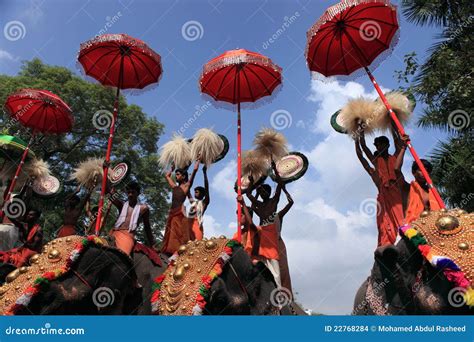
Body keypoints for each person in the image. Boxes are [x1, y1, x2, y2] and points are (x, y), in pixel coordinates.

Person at [355, 125, 407, 246]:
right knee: (384, 227)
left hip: (399, 197)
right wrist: (358, 137)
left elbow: (398, 142)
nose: (379, 146)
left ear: (387, 145)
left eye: (381, 144)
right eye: (377, 145)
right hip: (384, 198)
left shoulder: (394, 158)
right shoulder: (374, 163)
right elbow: (362, 151)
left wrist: (392, 124)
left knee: (404, 221)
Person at [161, 161, 199, 255]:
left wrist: (197, 161)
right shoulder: (174, 186)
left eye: (178, 174)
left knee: (181, 234)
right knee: (171, 233)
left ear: (183, 176)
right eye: (176, 174)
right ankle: (171, 253)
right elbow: (167, 176)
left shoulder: (186, 186)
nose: (176, 176)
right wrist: (172, 169)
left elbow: (194, 171)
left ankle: (180, 253)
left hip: (180, 213)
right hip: (172, 213)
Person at [109, 181, 154, 255]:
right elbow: (110, 197)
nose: (130, 195)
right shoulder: (122, 205)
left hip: (127, 236)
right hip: (113, 232)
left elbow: (147, 227)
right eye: (128, 192)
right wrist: (110, 188)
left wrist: (152, 244)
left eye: (133, 192)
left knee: (122, 257)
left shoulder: (143, 208)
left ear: (138, 194)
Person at [403, 159, 442, 223]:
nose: (424, 173)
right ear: (413, 172)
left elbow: (440, 210)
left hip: (432, 227)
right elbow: (397, 169)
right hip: (413, 228)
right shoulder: (407, 188)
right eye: (421, 170)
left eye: (427, 171)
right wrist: (403, 149)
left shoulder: (433, 192)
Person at [186, 165, 210, 240]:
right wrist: (186, 173)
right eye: (195, 192)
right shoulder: (193, 202)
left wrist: (204, 173)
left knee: (197, 247)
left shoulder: (204, 203)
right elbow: (187, 189)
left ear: (203, 194)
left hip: (197, 227)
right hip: (188, 226)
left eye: (197, 192)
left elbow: (207, 188)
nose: (195, 193)